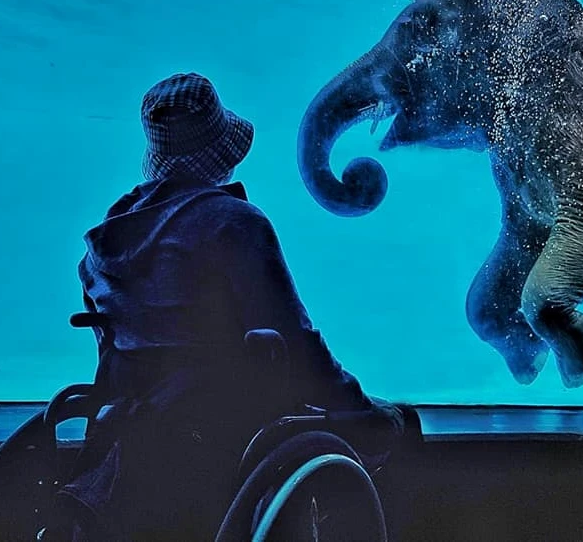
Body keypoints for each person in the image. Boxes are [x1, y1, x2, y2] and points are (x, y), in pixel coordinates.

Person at [60, 72, 402, 540]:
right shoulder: (233, 224)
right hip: (225, 445)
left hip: (126, 444)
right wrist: (367, 412)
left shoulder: (102, 244)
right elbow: (300, 349)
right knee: (397, 427)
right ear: (221, 151)